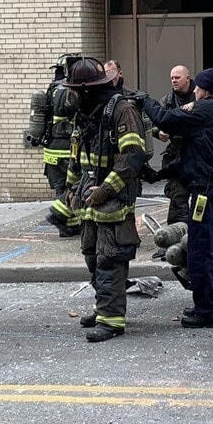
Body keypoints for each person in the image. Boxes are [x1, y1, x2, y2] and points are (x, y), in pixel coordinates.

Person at [141, 68, 213, 328]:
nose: (194, 90)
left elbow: (165, 120)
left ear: (206, 90)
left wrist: (144, 101)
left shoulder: (205, 110)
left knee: (200, 247)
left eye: (198, 87)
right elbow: (201, 153)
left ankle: (205, 312)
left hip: (205, 193)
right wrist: (161, 174)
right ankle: (212, 301)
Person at [62, 58, 146, 342]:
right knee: (91, 256)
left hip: (113, 198)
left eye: (75, 90)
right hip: (89, 197)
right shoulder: (84, 115)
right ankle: (103, 309)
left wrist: (104, 190)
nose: (71, 96)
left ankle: (112, 321)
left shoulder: (122, 110)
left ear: (89, 90)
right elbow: (77, 155)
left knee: (110, 258)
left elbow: (132, 157)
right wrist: (72, 187)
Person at [151, 65, 195, 258]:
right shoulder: (168, 101)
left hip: (197, 156)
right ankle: (172, 241)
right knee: (177, 200)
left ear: (187, 78)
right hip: (176, 157)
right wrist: (158, 132)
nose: (174, 81)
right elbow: (153, 121)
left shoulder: (199, 96)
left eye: (177, 77)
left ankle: (196, 241)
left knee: (200, 203)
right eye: (171, 78)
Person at [42, 55, 81, 238]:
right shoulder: (71, 90)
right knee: (73, 186)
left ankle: (69, 228)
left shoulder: (51, 89)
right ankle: (57, 214)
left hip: (50, 150)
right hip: (67, 148)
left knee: (60, 188)